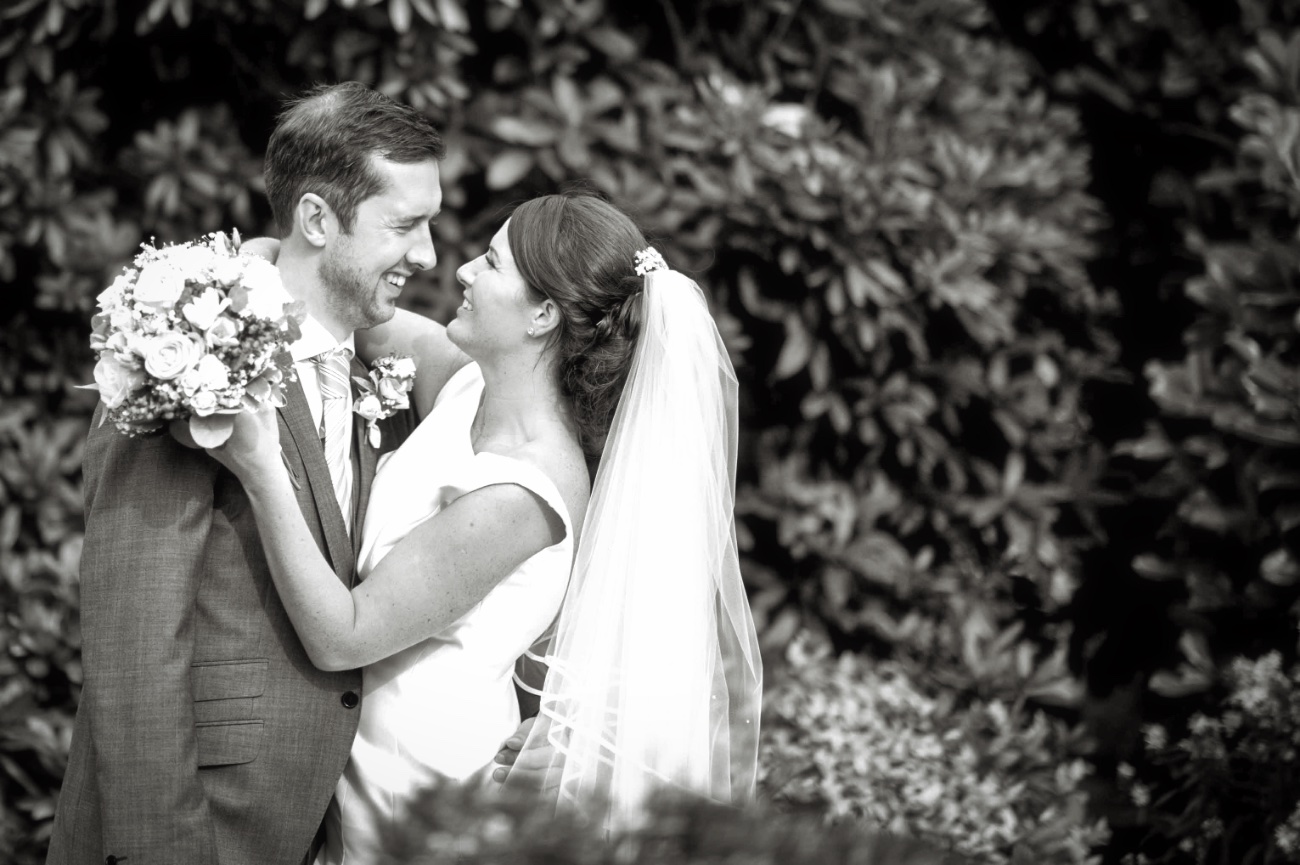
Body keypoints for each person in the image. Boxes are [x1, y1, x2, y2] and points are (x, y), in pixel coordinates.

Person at [186, 192, 763, 862]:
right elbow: (335, 299)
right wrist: (251, 263)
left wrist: (260, 469)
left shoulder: (523, 490)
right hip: (349, 746)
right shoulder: (465, 380)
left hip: (419, 773)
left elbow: (343, 636)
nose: (460, 270)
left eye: (490, 262)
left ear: (542, 313)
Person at [46, 81, 446, 865]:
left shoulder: (378, 365)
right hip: (196, 827)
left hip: (317, 826)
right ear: (317, 219)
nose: (429, 255)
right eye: (406, 225)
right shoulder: (181, 351)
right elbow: (135, 645)